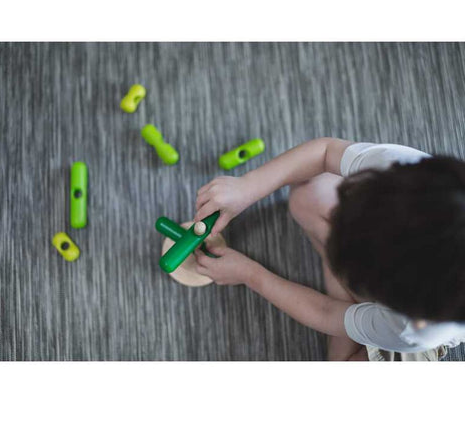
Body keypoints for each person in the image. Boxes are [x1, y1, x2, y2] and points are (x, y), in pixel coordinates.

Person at [193, 138, 465, 361]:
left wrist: (249, 273)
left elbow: (325, 313)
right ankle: (357, 311)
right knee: (307, 193)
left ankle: (358, 317)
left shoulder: (411, 330)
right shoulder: (410, 172)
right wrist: (248, 187)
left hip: (422, 329)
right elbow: (325, 152)